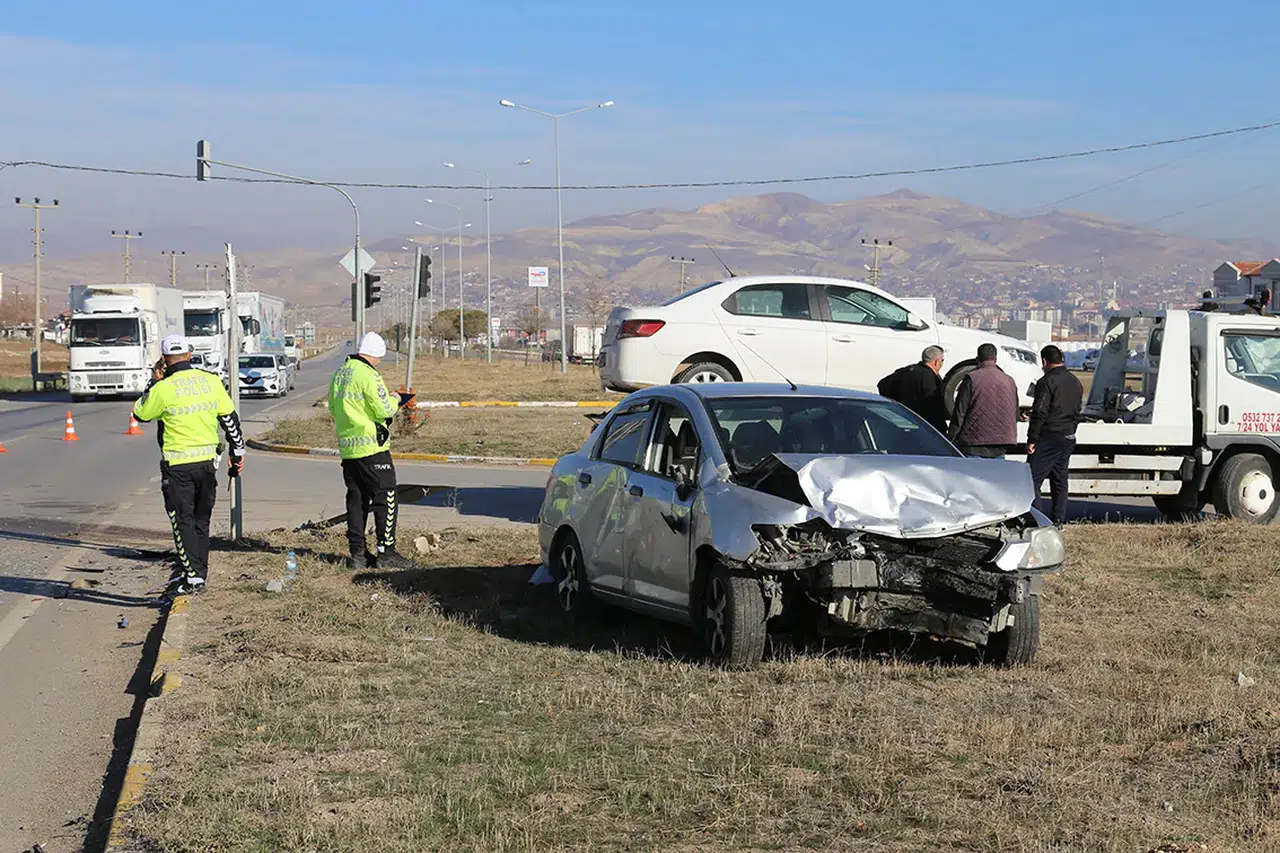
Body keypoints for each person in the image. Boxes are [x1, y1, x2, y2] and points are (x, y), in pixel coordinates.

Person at [133, 335, 245, 595]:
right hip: (207, 464)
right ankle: (199, 573)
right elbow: (230, 420)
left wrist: (154, 380)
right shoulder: (211, 381)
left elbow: (140, 413)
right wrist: (237, 454)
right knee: (201, 520)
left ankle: (193, 577)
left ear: (164, 360)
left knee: (181, 520)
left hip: (178, 466)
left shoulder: (163, 388)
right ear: (189, 356)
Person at [330, 332, 415, 570]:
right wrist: (396, 399)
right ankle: (386, 552)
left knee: (356, 500)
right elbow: (383, 409)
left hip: (348, 448)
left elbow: (333, 408)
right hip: (371, 447)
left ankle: (357, 554)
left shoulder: (340, 373)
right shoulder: (368, 374)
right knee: (386, 495)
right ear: (376, 354)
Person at [1027, 344, 1083, 527]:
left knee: (1032, 479)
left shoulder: (1047, 382)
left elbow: (1040, 412)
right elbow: (1077, 411)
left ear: (1044, 361)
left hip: (1049, 436)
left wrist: (1032, 438)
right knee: (1059, 479)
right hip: (1068, 435)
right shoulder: (1075, 381)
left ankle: (1038, 520)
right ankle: (1058, 520)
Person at [949, 343, 1018, 458]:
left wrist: (951, 438)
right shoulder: (1009, 380)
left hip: (974, 441)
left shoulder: (971, 378)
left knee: (972, 475)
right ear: (995, 359)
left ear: (977, 359)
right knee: (995, 475)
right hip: (1001, 442)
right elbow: (1015, 413)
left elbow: (960, 412)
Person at [877, 345, 948, 433]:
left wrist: (896, 406)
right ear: (936, 362)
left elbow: (882, 384)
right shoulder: (933, 378)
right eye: (942, 361)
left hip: (905, 422)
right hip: (929, 428)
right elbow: (936, 404)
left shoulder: (907, 370)